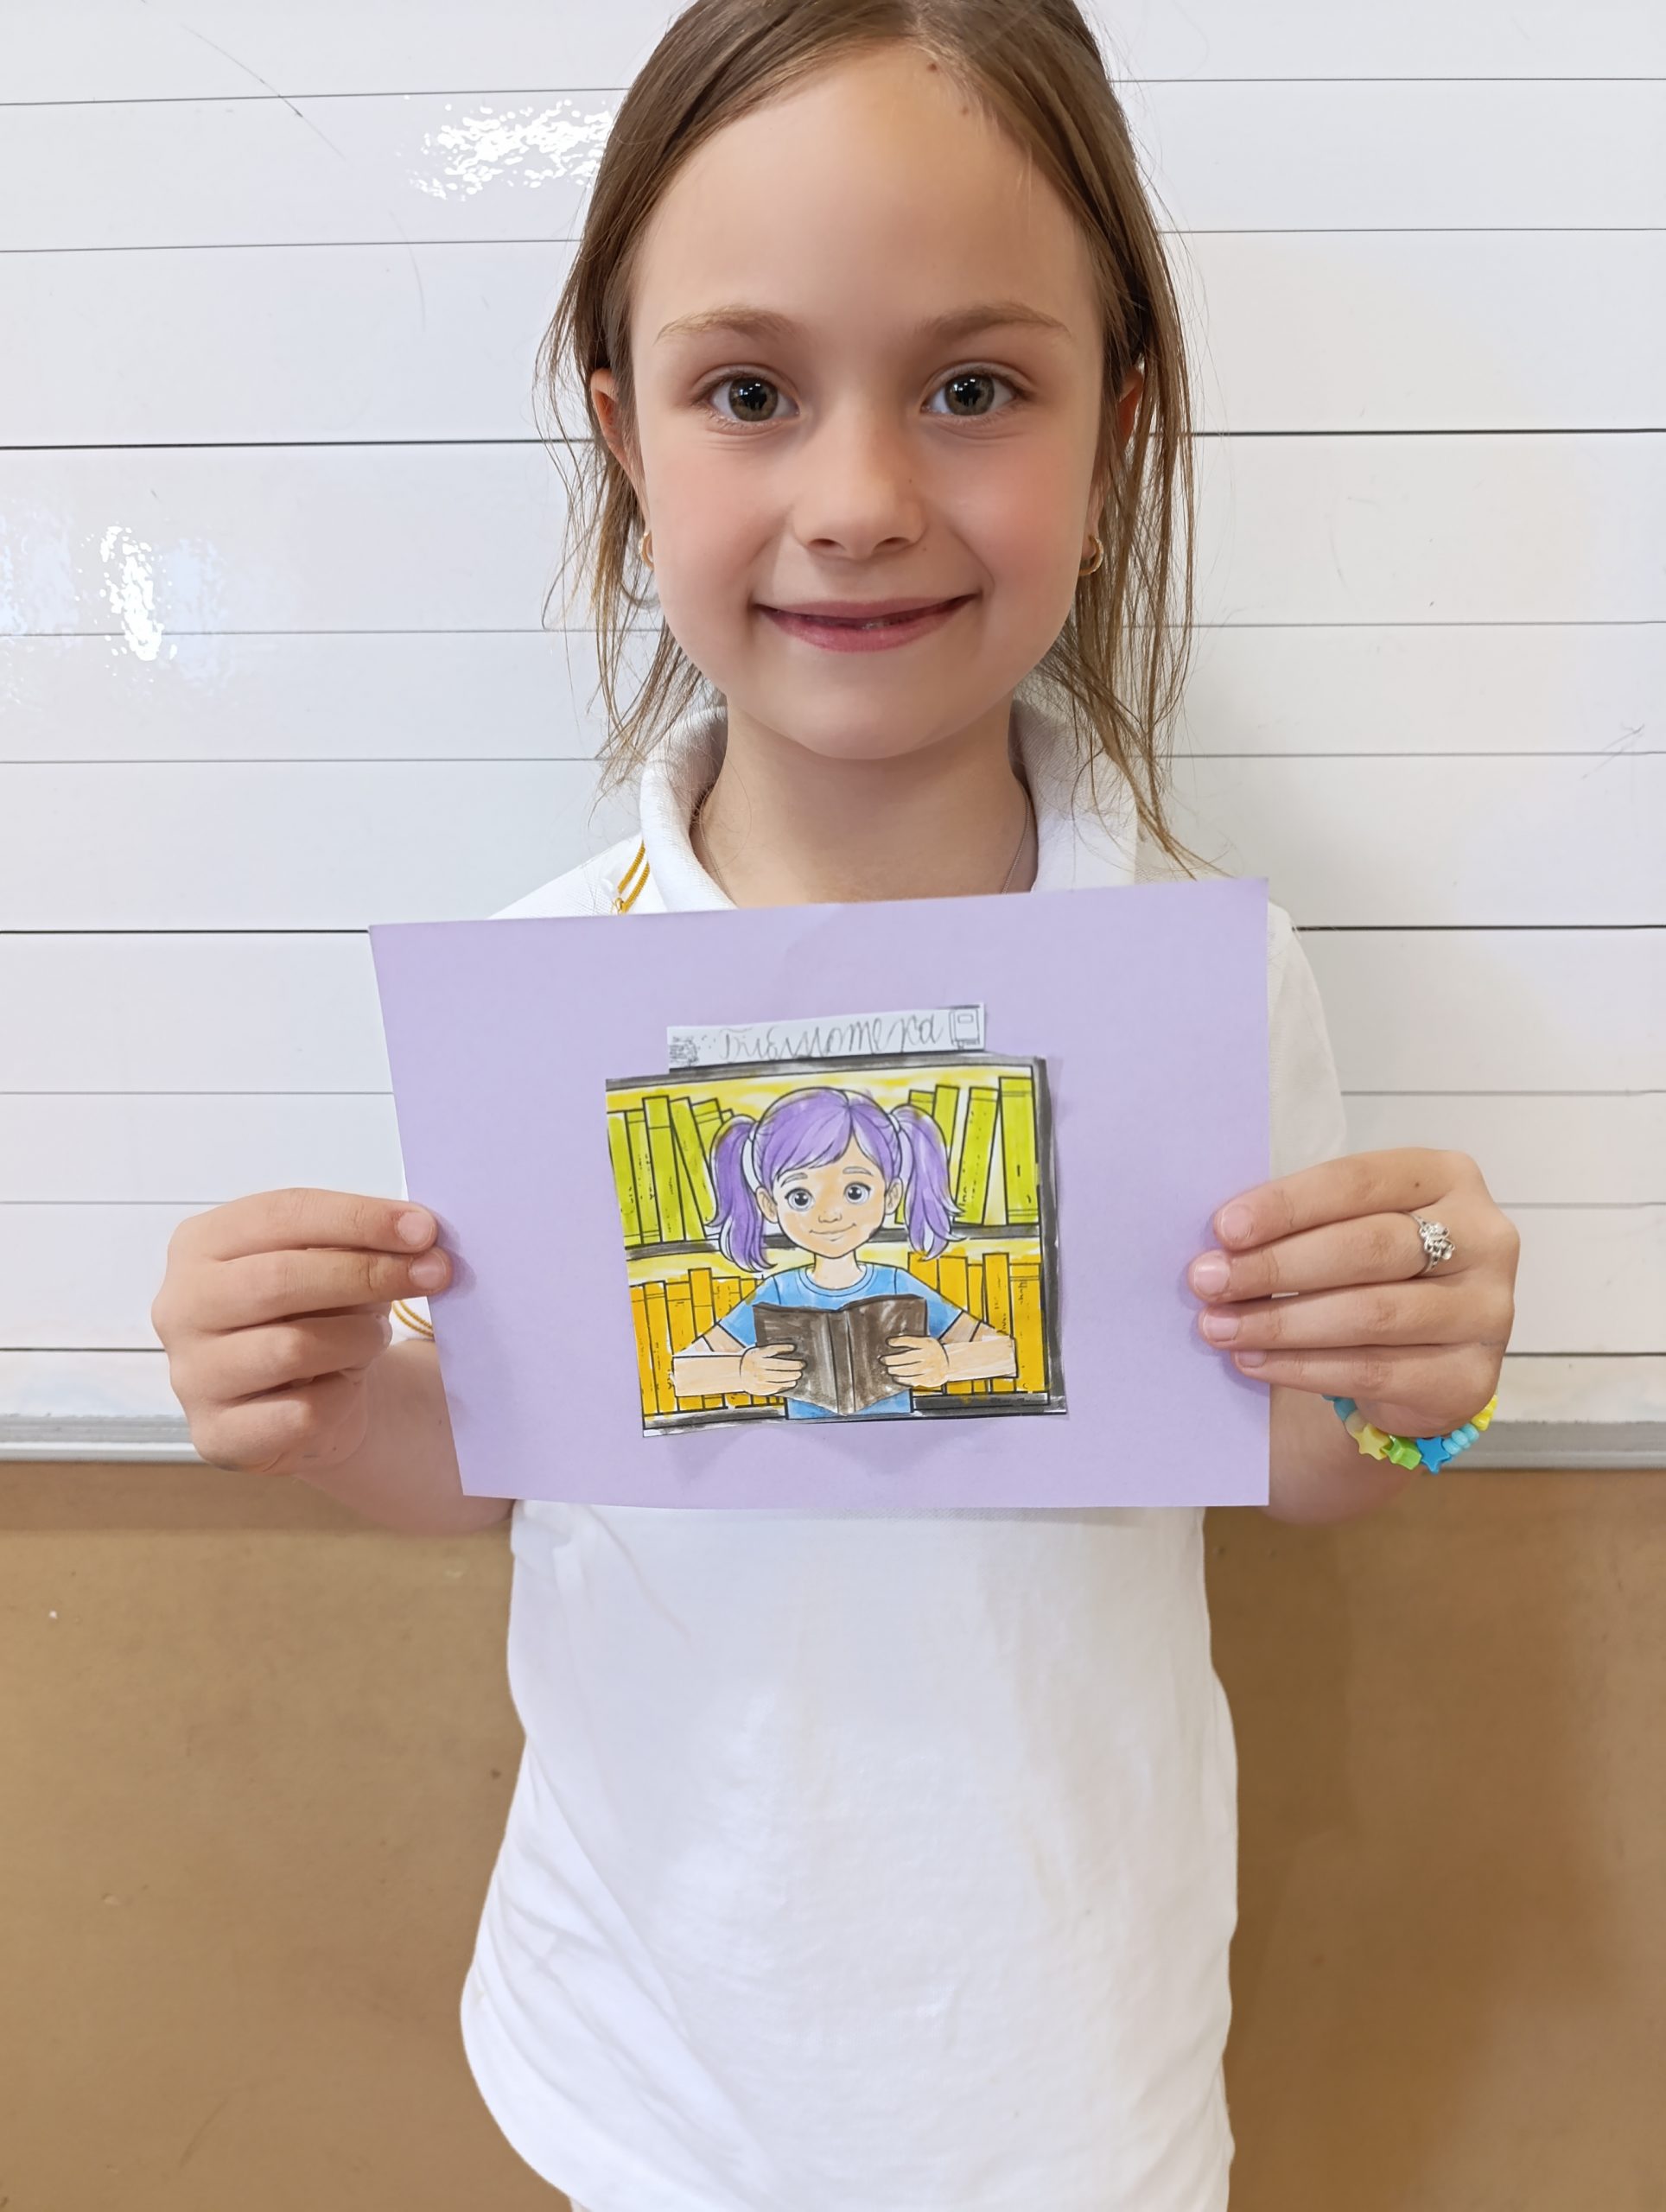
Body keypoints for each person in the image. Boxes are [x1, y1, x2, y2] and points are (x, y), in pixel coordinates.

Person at [149, 5, 1520, 2205]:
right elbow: (503, 1457)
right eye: (747, 391)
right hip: (643, 2055)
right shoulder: (542, 988)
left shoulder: (1199, 976)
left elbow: (1292, 1457)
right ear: (622, 429)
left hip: (1069, 2067)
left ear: (1116, 423)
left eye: (973, 388)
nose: (862, 500)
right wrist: (317, 1405)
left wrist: (1408, 1381)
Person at [671, 1083, 1019, 1417]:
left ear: (891, 1196)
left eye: (855, 1192)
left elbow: (1004, 1352)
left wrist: (946, 1363)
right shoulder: (777, 1292)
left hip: (899, 1437)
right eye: (800, 1197)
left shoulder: (898, 1285)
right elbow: (682, 1373)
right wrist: (741, 1372)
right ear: (769, 1205)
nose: (829, 1214)